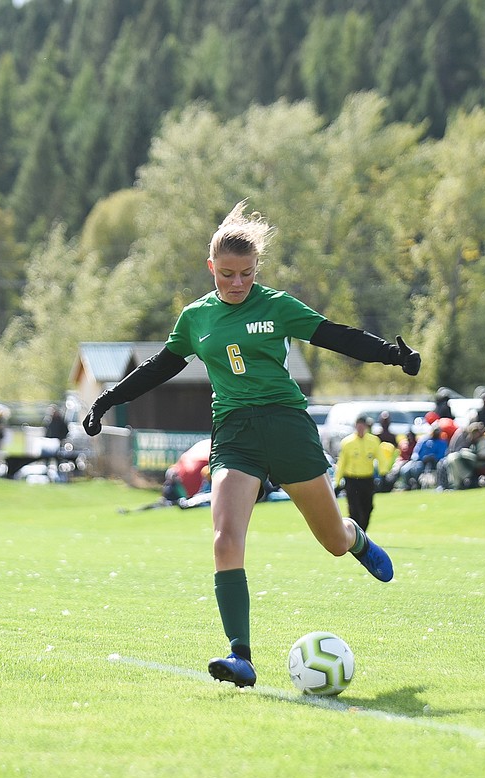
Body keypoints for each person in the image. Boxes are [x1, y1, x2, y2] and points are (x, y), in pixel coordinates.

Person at [80, 201, 419, 688]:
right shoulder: (196, 317)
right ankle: (240, 654)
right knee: (224, 539)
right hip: (234, 434)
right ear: (210, 268)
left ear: (256, 270)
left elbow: (334, 336)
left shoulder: (277, 306)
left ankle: (355, 538)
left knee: (330, 541)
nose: (236, 283)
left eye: (245, 274)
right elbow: (160, 366)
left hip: (286, 427)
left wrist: (391, 354)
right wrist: (107, 399)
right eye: (226, 275)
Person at [334, 415, 381, 530]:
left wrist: (383, 472)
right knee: (354, 508)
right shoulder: (347, 442)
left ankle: (362, 532)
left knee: (368, 507)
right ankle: (354, 533)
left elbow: (380, 457)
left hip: (367, 478)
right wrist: (338, 480)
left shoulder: (373, 441)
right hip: (352, 479)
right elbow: (342, 462)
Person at [439, 422, 485, 489]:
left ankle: (464, 482)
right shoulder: (474, 441)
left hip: (484, 465)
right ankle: (458, 483)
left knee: (456, 458)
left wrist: (476, 456)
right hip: (476, 463)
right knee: (453, 458)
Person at [398, 424, 447, 490]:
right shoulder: (424, 440)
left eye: (438, 431)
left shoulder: (442, 443)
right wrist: (420, 458)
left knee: (418, 468)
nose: (436, 432)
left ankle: (418, 485)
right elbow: (416, 452)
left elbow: (441, 455)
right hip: (420, 461)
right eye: (435, 431)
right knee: (405, 469)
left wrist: (432, 457)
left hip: (434, 462)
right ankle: (407, 485)